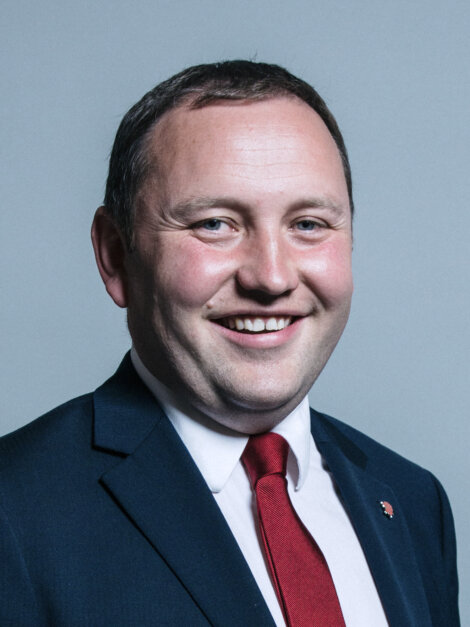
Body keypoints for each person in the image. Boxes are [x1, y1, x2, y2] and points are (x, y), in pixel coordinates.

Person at [0, 61, 459, 626]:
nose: (270, 278)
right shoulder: (16, 511)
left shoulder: (412, 504)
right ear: (116, 255)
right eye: (215, 224)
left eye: (309, 224)